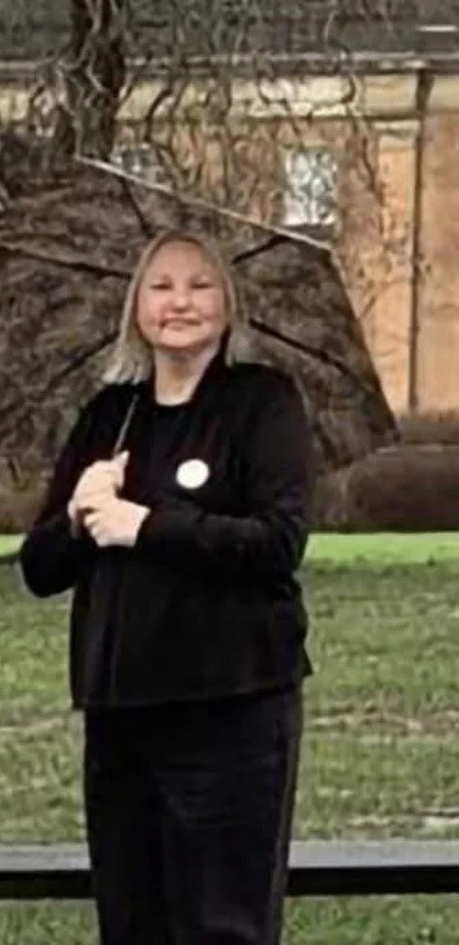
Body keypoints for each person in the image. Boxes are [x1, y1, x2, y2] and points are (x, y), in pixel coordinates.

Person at [20, 228, 315, 945]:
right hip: (121, 709)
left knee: (222, 924)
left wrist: (147, 526)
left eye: (199, 285)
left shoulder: (261, 403)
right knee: (132, 921)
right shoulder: (110, 414)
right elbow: (39, 568)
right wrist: (78, 513)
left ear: (228, 304)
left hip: (230, 705)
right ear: (136, 307)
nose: (179, 302)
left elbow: (277, 543)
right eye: (161, 286)